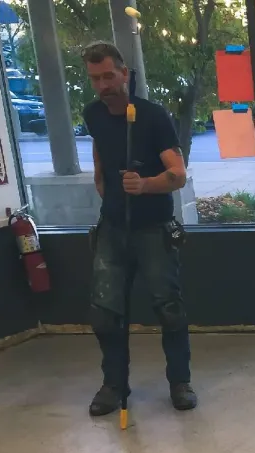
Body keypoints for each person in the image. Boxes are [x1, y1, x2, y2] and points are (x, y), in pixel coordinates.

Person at [81, 41, 197, 416]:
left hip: (152, 228)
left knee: (169, 309)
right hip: (113, 229)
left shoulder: (152, 116)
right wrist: (105, 188)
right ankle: (114, 385)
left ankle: (180, 381)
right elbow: (100, 155)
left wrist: (145, 185)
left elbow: (178, 174)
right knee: (105, 313)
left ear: (125, 74)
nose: (103, 85)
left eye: (109, 76)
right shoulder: (93, 114)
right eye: (96, 78)